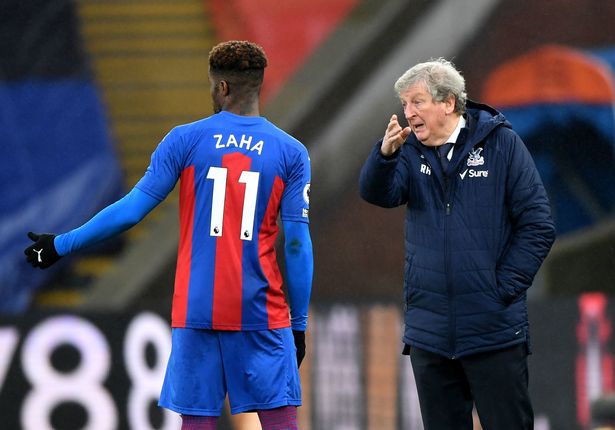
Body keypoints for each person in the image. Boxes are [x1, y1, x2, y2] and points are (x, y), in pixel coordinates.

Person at [24, 40, 313, 430]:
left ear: (222, 87)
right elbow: (296, 244)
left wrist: (60, 244)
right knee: (280, 422)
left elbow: (131, 211)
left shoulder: (185, 139)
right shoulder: (291, 152)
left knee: (197, 423)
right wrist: (296, 323)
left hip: (197, 309)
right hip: (261, 310)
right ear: (258, 86)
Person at [359, 58, 556, 430]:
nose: (408, 113)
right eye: (404, 104)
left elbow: (538, 224)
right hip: (430, 335)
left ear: (448, 103)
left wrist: (501, 289)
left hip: (492, 329)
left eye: (416, 102)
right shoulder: (407, 150)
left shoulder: (501, 144)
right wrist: (384, 156)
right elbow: (378, 193)